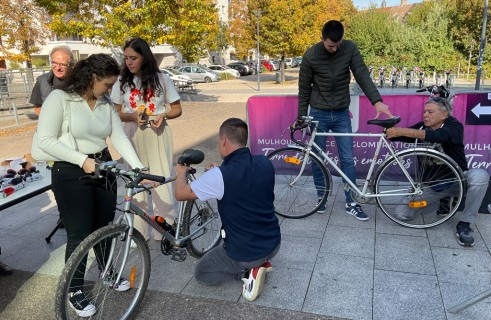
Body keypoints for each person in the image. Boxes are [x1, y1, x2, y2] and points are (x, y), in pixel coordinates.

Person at [34, 53, 144, 317]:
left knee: (104, 226)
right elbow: (45, 141)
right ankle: (75, 289)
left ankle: (106, 273)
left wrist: (138, 167)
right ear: (92, 77)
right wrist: (81, 160)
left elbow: (117, 135)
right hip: (71, 170)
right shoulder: (60, 99)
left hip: (102, 167)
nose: (109, 90)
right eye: (107, 84)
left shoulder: (104, 103)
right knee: (79, 233)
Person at [174, 118, 281, 302]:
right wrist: (219, 172)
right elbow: (243, 178)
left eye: (218, 141)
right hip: (273, 243)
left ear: (223, 140)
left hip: (245, 252)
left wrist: (180, 173)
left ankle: (248, 273)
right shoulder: (264, 162)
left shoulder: (220, 176)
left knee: (202, 273)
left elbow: (181, 193)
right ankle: (260, 262)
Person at [297, 20, 393, 220]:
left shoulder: (349, 48)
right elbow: (304, 89)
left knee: (347, 159)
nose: (334, 49)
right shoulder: (311, 55)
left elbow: (362, 75)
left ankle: (351, 202)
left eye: (338, 45)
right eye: (331, 46)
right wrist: (301, 117)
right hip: (318, 113)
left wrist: (377, 101)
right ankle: (321, 197)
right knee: (317, 158)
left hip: (341, 112)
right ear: (322, 39)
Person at [386, 97, 489, 247]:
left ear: (443, 115)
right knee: (401, 214)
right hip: (431, 186)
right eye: (424, 112)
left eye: (430, 112)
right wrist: (390, 131)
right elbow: (404, 135)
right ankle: (440, 201)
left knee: (480, 176)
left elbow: (440, 136)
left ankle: (465, 223)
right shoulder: (422, 127)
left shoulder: (454, 126)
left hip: (457, 181)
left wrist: (402, 131)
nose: (425, 115)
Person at [111, 38, 182, 241]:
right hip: (132, 133)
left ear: (145, 57)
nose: (129, 63)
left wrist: (164, 115)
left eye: (133, 58)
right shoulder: (121, 82)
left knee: (162, 180)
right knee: (136, 182)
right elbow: (115, 112)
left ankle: (165, 228)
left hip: (158, 133)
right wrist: (132, 116)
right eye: (126, 58)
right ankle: (139, 232)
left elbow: (177, 108)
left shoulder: (162, 79)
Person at [29, 45, 74, 115]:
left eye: (62, 64)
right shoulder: (42, 81)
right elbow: (38, 109)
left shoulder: (81, 81)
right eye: (54, 63)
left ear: (71, 65)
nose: (58, 68)